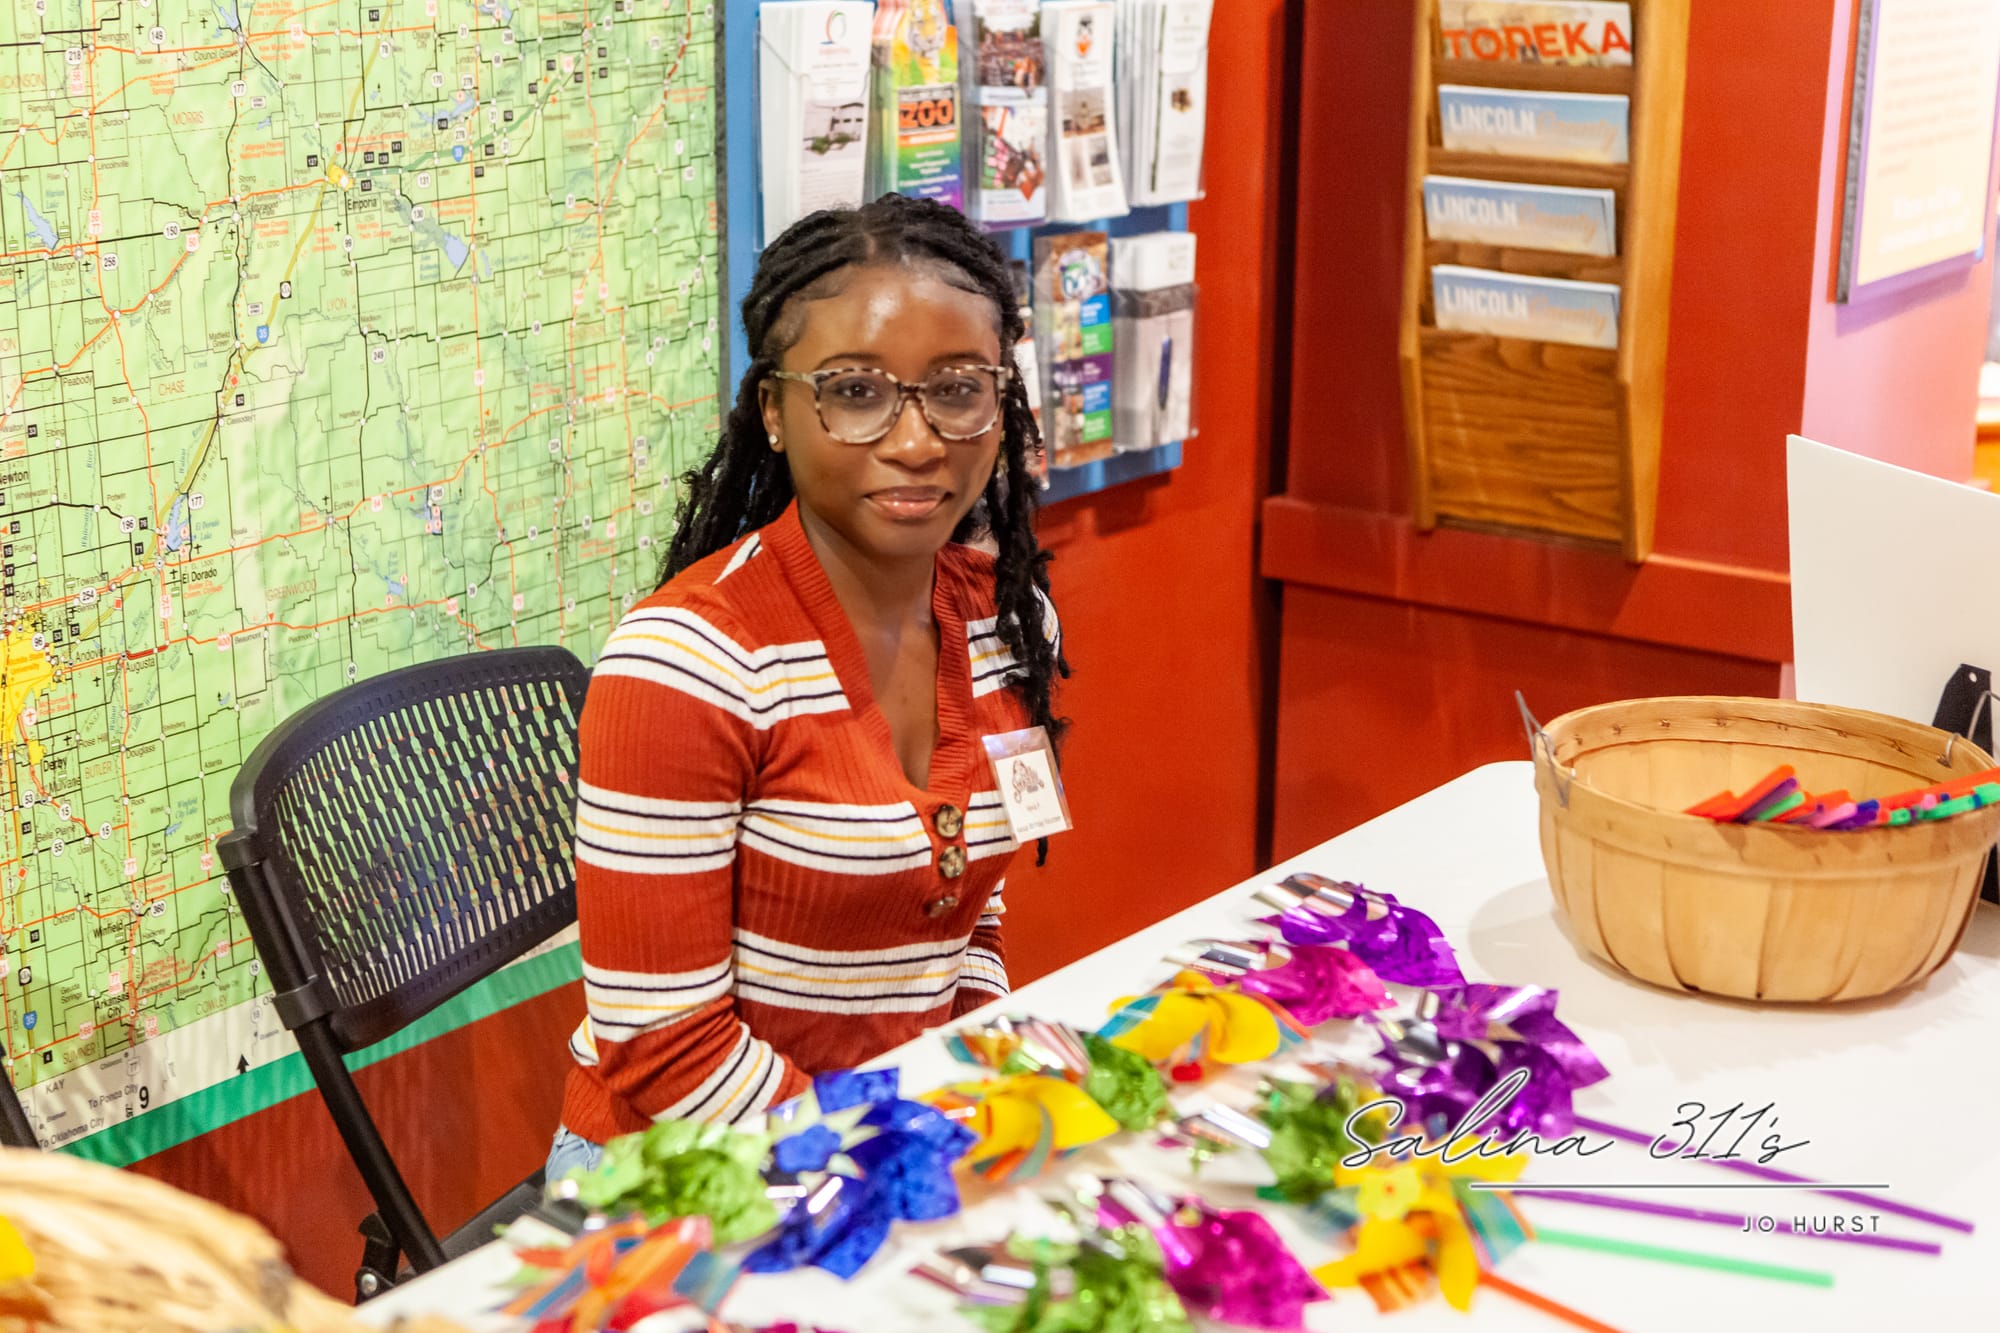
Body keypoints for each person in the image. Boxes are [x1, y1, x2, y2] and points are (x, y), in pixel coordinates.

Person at [547, 195, 1065, 1177]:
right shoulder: (686, 665)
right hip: (687, 1167)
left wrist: (971, 1082)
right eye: (855, 391)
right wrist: (884, 1162)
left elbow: (969, 913)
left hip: (886, 1128)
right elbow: (666, 1049)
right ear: (774, 413)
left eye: (958, 388)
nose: (917, 441)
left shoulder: (1008, 622)